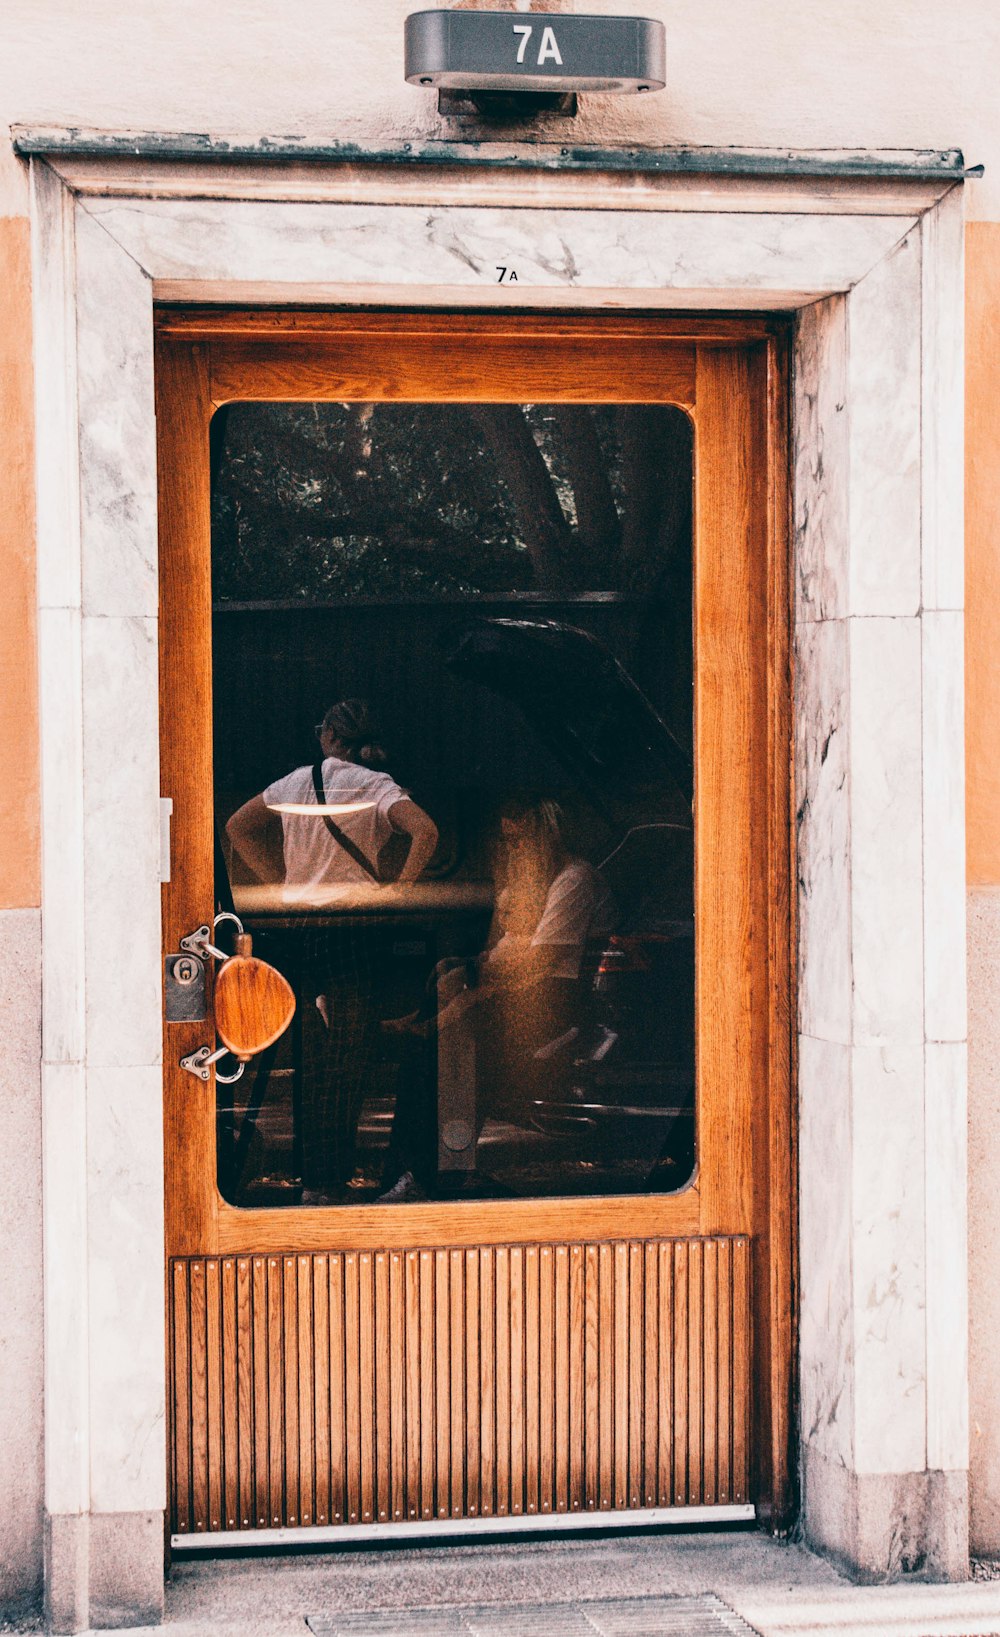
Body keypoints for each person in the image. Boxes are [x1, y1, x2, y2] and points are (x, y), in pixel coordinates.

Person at [226, 700, 438, 1202]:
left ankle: (309, 1180)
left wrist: (276, 882)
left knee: (307, 1058)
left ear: (327, 736)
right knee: (348, 1060)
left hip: (298, 928)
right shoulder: (374, 784)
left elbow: (237, 827)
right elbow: (425, 832)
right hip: (350, 926)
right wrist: (400, 891)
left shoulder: (294, 783)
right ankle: (328, 1180)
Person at [378, 796, 613, 1199]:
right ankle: (412, 1169)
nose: (514, 850)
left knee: (446, 1048)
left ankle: (430, 1169)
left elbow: (544, 958)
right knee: (423, 1054)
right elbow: (500, 947)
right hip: (514, 985)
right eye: (508, 841)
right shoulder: (527, 884)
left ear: (545, 838)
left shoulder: (573, 879)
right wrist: (466, 967)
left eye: (522, 841)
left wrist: (472, 977)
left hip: (551, 994)